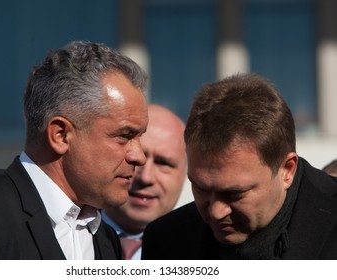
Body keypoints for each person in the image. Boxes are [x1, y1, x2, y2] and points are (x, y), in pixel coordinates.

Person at [0, 41, 149, 260]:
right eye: (123, 136)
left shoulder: (105, 238)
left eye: (139, 137)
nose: (139, 156)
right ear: (60, 135)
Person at [141, 73, 337, 260]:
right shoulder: (165, 241)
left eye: (234, 193)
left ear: (287, 170)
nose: (216, 211)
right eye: (200, 188)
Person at [102, 104, 187, 259]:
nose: (145, 177)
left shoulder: (203, 250)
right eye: (136, 159)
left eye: (163, 163)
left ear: (186, 173)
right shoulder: (61, 231)